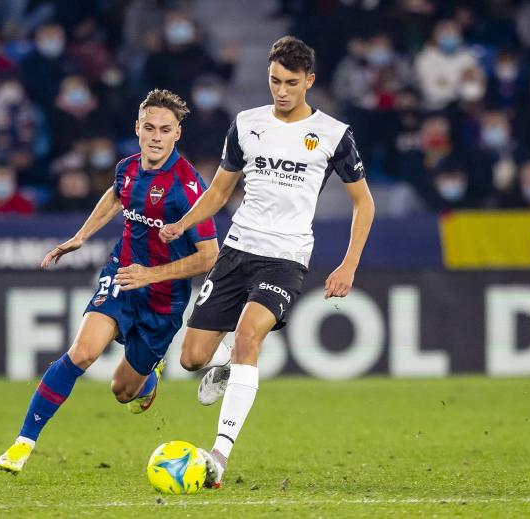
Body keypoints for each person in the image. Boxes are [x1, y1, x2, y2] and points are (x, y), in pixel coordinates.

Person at [160, 36, 375, 488]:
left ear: (309, 82)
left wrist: (349, 263)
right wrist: (182, 223)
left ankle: (219, 453)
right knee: (191, 359)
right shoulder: (245, 124)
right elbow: (219, 190)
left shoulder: (334, 135)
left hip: (286, 256)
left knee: (250, 335)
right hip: (238, 249)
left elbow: (364, 204)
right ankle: (221, 358)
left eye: (291, 83)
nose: (281, 91)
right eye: (275, 81)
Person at [0, 89, 218, 473]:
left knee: (123, 391)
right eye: (149, 127)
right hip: (121, 275)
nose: (156, 136)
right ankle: (23, 443)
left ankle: (148, 379)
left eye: (165, 130)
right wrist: (82, 236)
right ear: (137, 128)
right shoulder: (127, 167)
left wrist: (151, 274)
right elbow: (117, 196)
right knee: (82, 352)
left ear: (177, 133)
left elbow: (209, 255)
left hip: (163, 298)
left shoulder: (189, 188)